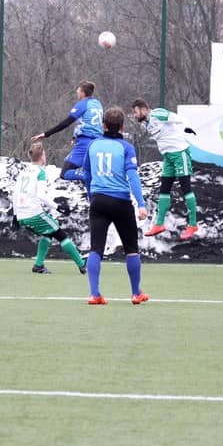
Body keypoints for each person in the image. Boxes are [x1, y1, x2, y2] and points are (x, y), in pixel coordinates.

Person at [81, 107, 149, 305]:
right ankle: (136, 293)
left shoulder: (93, 145)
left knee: (96, 248)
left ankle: (94, 294)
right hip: (121, 202)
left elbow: (87, 173)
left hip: (98, 200)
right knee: (131, 248)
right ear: (122, 127)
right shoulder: (126, 147)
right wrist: (141, 204)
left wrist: (91, 195)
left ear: (103, 125)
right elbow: (132, 176)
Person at [12, 142, 87, 275]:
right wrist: (58, 207)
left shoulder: (23, 172)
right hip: (33, 213)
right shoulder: (40, 172)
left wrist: (15, 215)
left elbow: (15, 193)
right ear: (42, 156)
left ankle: (38, 265)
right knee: (60, 234)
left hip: (22, 215)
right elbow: (41, 195)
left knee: (47, 233)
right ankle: (82, 264)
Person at [131, 99, 200, 240]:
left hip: (179, 153)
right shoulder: (146, 123)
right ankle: (159, 224)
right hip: (168, 156)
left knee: (186, 188)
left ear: (144, 109)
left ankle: (193, 225)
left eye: (136, 112)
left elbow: (180, 119)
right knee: (164, 189)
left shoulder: (158, 114)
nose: (135, 115)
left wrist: (187, 127)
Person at [31, 80, 103, 181]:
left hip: (85, 143)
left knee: (65, 172)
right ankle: (90, 177)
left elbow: (66, 123)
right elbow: (91, 122)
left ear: (83, 92)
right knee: (87, 166)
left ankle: (89, 176)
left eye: (78, 90)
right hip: (98, 142)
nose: (77, 92)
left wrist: (46, 134)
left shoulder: (82, 104)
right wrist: (75, 137)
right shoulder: (97, 104)